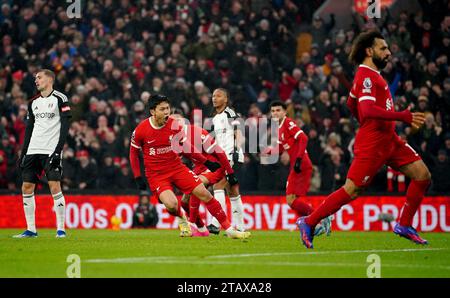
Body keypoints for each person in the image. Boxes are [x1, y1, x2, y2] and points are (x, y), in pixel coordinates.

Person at [297, 30, 430, 248]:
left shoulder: (370, 75)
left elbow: (352, 104)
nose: (388, 53)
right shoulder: (366, 75)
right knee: (352, 190)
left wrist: (369, 120)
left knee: (422, 175)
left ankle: (404, 224)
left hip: (390, 140)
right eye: (383, 48)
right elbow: (366, 109)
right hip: (373, 144)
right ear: (369, 51)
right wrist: (401, 116)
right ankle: (309, 222)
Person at [129, 94, 250, 239]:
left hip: (177, 168)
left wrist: (206, 162)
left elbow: (186, 147)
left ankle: (229, 229)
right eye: (162, 109)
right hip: (157, 175)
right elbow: (133, 154)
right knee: (172, 204)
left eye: (168, 108)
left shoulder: (174, 126)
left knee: (205, 193)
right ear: (153, 112)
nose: (167, 112)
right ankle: (182, 218)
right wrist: (137, 177)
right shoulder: (141, 130)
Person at [14, 69, 71, 238]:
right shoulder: (33, 103)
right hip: (33, 150)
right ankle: (31, 229)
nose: (36, 80)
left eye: (39, 77)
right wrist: (23, 153)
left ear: (49, 79)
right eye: (35, 78)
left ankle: (61, 229)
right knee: (26, 187)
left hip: (50, 150)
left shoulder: (60, 98)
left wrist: (58, 150)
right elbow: (29, 129)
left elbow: (65, 125)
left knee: (54, 186)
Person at [267, 101, 331, 236]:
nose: (275, 113)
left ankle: (319, 218)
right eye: (273, 111)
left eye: (278, 110)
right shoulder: (278, 128)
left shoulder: (288, 123)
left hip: (300, 164)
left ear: (284, 112)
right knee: (294, 200)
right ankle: (313, 224)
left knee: (290, 199)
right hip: (299, 165)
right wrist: (267, 151)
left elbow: (303, 138)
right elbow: (279, 148)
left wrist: (298, 159)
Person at [170, 114, 238, 237]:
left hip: (214, 167)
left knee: (197, 184)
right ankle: (201, 229)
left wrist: (230, 173)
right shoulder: (174, 138)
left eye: (175, 121)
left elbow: (220, 153)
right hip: (198, 168)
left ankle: (190, 224)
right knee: (185, 201)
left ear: (183, 122)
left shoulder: (197, 132)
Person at [207, 88, 245, 234]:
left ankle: (216, 224)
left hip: (231, 156)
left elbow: (238, 132)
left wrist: (236, 149)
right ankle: (240, 227)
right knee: (233, 192)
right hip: (223, 157)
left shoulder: (230, 113)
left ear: (226, 99)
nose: (214, 98)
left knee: (218, 186)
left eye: (218, 95)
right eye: (213, 95)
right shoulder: (215, 118)